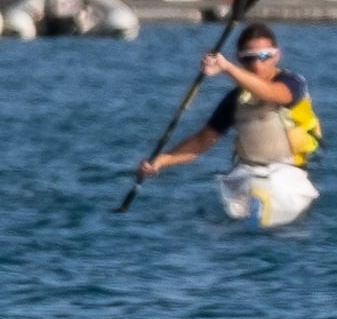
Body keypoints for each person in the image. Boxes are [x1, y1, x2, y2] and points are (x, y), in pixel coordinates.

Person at [135, 22, 324, 227]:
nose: (257, 65)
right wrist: (161, 161)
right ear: (241, 59)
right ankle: (254, 211)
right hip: (248, 173)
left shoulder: (293, 83)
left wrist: (226, 67)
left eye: (264, 56)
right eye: (249, 58)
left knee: (271, 190)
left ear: (276, 55)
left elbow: (273, 94)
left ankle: (262, 209)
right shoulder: (235, 99)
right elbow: (203, 140)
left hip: (289, 173)